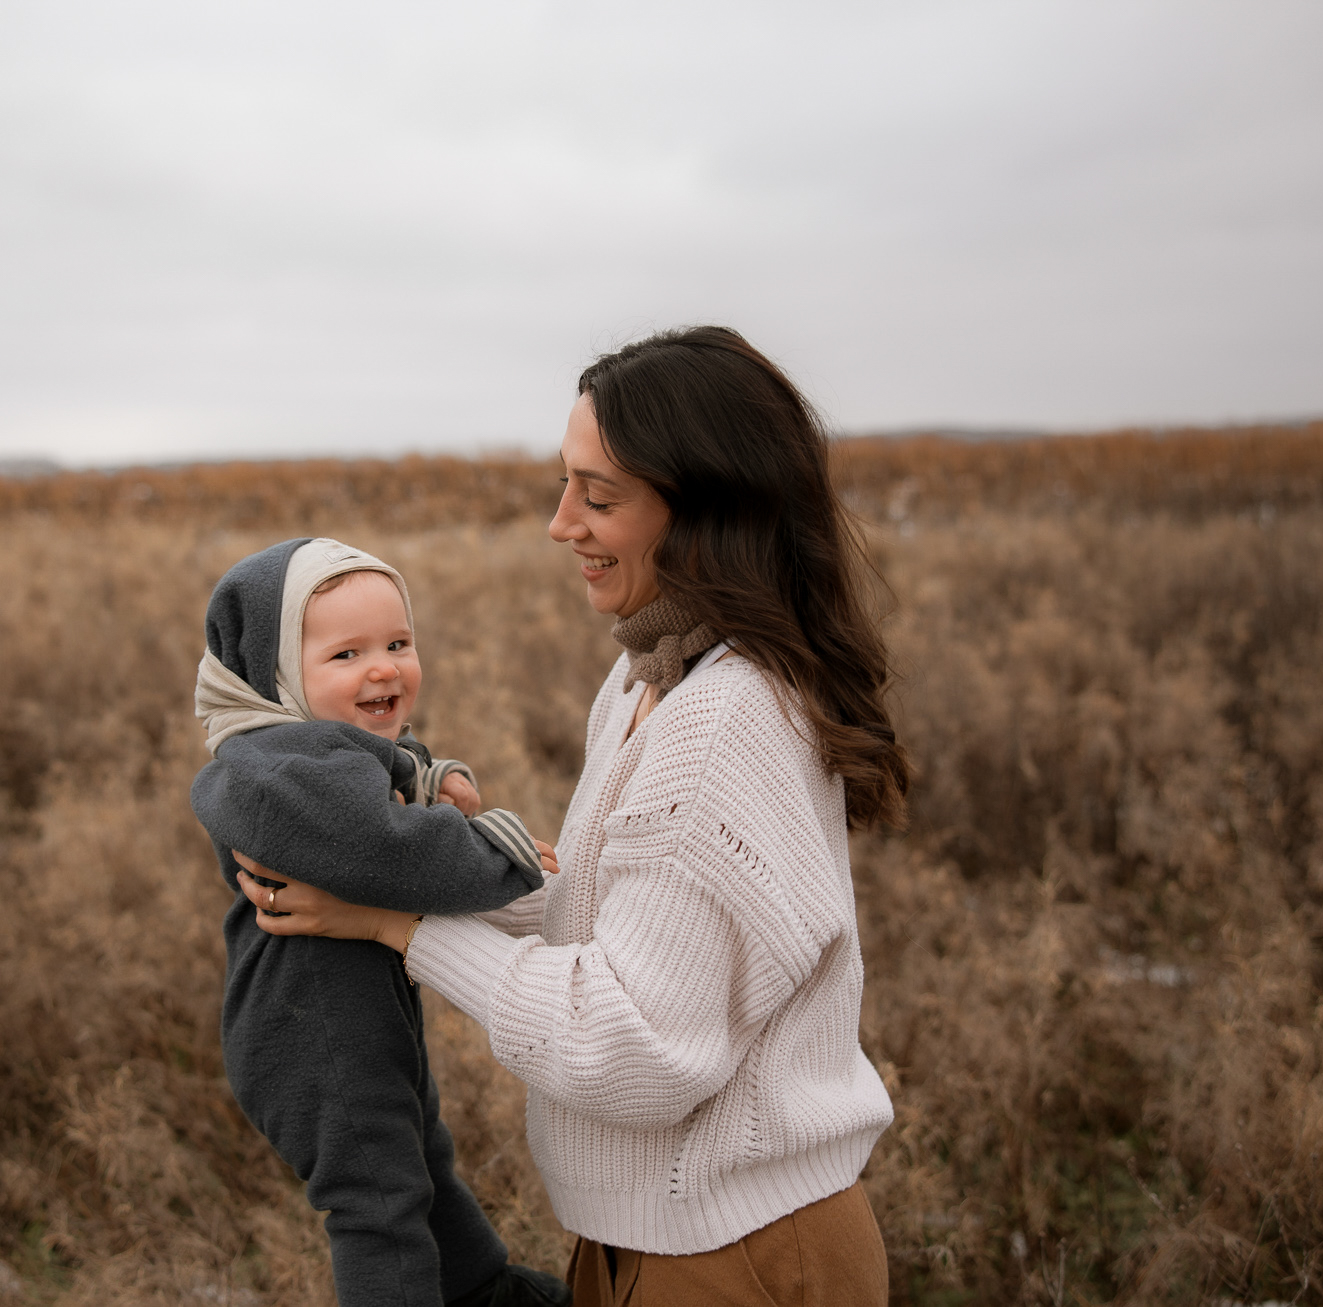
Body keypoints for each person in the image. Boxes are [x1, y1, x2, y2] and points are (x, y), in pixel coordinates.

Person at [233, 327, 908, 1306]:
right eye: (565, 486)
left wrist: (401, 926)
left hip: (734, 1255)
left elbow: (630, 1048)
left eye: (598, 496)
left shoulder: (720, 724)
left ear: (706, 507)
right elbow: (612, 933)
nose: (560, 523)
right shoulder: (647, 675)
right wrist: (450, 864)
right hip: (657, 1237)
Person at [189, 536, 571, 1307]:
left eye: (399, 642)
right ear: (276, 676)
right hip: (315, 1029)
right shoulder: (279, 776)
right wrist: (496, 849)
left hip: (350, 1011)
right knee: (378, 1203)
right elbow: (388, 847)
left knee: (420, 1165)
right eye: (347, 653)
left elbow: (377, 767)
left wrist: (433, 775)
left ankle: (483, 1291)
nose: (385, 667)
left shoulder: (292, 751)